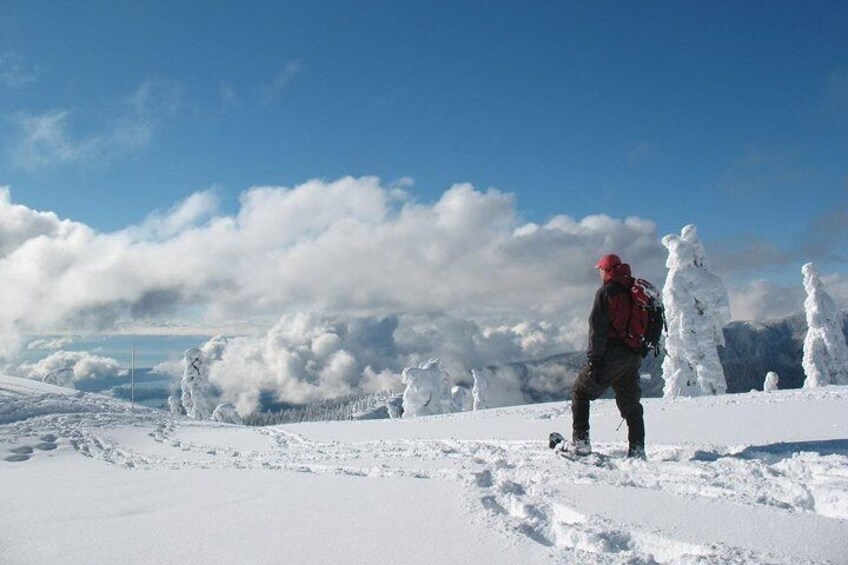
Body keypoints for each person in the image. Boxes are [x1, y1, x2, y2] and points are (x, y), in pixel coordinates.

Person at [570, 253, 646, 459]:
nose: (600, 273)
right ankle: (637, 449)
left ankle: (581, 444)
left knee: (580, 391)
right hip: (633, 354)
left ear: (607, 270)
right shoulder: (633, 289)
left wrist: (595, 359)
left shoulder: (607, 292)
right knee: (631, 404)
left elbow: (598, 328)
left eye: (601, 270)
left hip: (613, 354)